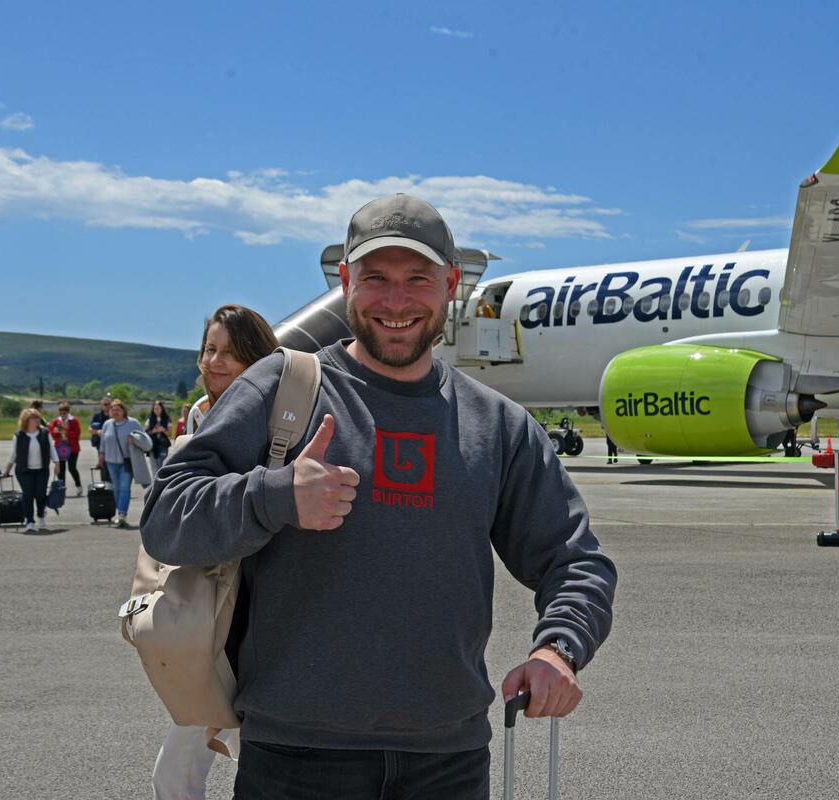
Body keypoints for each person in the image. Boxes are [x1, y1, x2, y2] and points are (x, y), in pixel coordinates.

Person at [142, 193, 617, 799]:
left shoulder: (498, 426)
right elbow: (166, 518)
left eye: (417, 279)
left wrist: (559, 648)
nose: (396, 302)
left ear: (450, 286)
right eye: (375, 279)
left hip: (449, 763)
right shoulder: (282, 387)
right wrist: (274, 496)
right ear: (345, 282)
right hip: (296, 760)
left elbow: (575, 560)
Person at [149, 305, 279, 800]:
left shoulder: (280, 415)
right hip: (209, 602)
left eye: (232, 352)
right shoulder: (200, 414)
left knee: (267, 763)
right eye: (210, 349)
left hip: (263, 608)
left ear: (258, 359)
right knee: (175, 770)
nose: (215, 361)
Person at [2, 408, 59, 532]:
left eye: (37, 417)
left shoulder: (45, 433)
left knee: (40, 494)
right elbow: (14, 454)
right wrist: (7, 470)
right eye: (33, 418)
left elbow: (51, 448)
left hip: (41, 469)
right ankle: (29, 520)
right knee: (28, 494)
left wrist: (56, 463)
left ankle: (40, 515)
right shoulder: (19, 435)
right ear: (26, 420)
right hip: (24, 470)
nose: (36, 420)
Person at [96, 399, 145, 528]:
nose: (115, 412)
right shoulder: (107, 424)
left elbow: (145, 438)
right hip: (110, 462)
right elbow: (103, 444)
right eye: (113, 410)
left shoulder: (132, 423)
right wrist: (100, 460)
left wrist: (134, 439)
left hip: (127, 462)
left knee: (124, 487)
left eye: (118, 410)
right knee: (116, 488)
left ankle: (122, 514)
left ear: (124, 411)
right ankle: (120, 512)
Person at [49, 402, 84, 496]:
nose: (62, 415)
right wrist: (55, 432)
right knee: (61, 470)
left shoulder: (73, 420)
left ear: (68, 412)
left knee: (72, 468)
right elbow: (52, 433)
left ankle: (79, 486)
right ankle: (62, 488)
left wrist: (66, 433)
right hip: (60, 447)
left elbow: (77, 433)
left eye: (64, 413)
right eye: (60, 413)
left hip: (72, 448)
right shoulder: (56, 421)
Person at [146, 401, 173, 471]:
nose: (156, 410)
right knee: (154, 467)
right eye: (155, 408)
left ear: (162, 409)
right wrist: (153, 431)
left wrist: (163, 430)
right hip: (153, 446)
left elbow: (170, 434)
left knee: (162, 466)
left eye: (158, 408)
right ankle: (155, 478)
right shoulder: (149, 420)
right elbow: (145, 433)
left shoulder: (167, 419)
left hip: (163, 445)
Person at [91, 396, 112, 482]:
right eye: (105, 404)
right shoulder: (97, 416)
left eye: (108, 404)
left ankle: (113, 484)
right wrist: (97, 432)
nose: (107, 406)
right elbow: (90, 429)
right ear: (101, 405)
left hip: (112, 444)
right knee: (103, 465)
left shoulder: (113, 415)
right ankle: (105, 484)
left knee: (112, 465)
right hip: (101, 444)